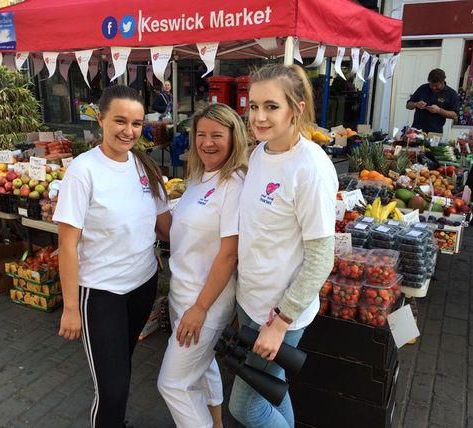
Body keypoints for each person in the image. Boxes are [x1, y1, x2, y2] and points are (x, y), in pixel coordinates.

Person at [53, 85, 172, 428]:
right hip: (101, 294)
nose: (128, 131)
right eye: (120, 120)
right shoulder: (83, 171)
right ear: (101, 119)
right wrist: (71, 308)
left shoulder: (145, 167)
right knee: (113, 389)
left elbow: (166, 229)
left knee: (122, 368)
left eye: (136, 123)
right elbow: (68, 246)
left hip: (143, 286)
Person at [228, 64, 338, 428]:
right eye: (253, 105)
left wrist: (281, 322)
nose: (258, 117)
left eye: (271, 107)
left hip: (278, 314)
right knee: (270, 387)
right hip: (251, 301)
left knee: (245, 407)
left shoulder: (311, 168)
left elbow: (322, 257)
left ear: (298, 108)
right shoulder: (261, 152)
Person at [157, 103, 247, 428]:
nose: (207, 142)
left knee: (173, 384)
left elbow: (229, 254)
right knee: (203, 367)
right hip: (183, 295)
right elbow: (176, 234)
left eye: (217, 135)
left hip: (205, 302)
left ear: (234, 137)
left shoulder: (234, 185)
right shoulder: (198, 178)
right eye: (201, 134)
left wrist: (200, 307)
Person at [406, 68, 459, 134]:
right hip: (417, 130)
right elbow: (408, 105)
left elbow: (455, 115)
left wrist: (439, 110)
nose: (433, 88)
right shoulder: (423, 88)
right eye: (431, 85)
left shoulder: (451, 94)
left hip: (435, 132)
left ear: (443, 81)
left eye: (436, 86)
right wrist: (416, 104)